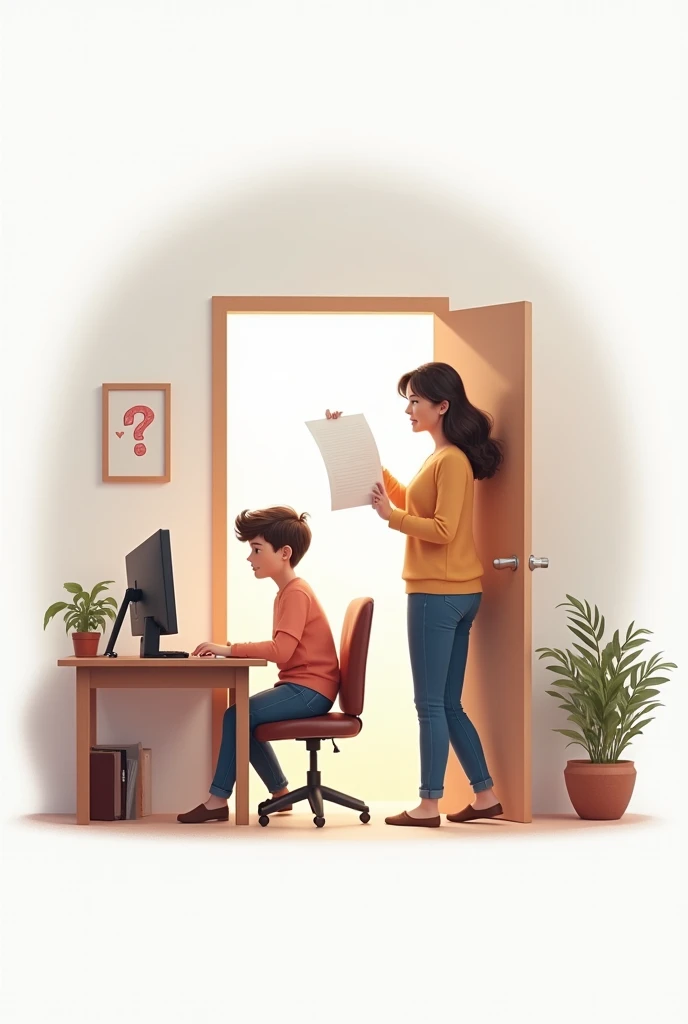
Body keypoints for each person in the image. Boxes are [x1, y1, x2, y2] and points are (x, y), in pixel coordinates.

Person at [327, 362, 503, 828]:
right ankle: (485, 796)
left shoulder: (450, 460)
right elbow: (409, 497)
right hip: (460, 593)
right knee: (448, 704)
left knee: (429, 705)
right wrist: (354, 447)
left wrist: (391, 518)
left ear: (441, 406)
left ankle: (429, 805)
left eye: (415, 401)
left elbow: (441, 529)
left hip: (436, 594)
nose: (408, 409)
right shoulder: (444, 457)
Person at [177, 506, 339, 824]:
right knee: (240, 719)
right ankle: (279, 792)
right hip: (305, 686)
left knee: (237, 716)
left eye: (256, 549)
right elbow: (285, 651)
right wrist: (229, 650)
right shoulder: (286, 593)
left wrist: (227, 649)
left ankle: (217, 800)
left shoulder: (295, 594)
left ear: (284, 553)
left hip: (311, 689)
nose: (250, 558)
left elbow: (281, 650)